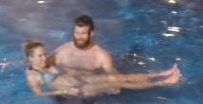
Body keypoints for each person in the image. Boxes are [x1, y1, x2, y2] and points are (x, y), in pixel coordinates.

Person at [23, 40, 179, 98]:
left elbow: (63, 50)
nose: (44, 58)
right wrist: (65, 91)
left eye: (44, 54)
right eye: (40, 56)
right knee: (121, 83)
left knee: (118, 78)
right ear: (30, 58)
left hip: (80, 80)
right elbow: (39, 94)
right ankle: (163, 82)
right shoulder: (32, 76)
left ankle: (162, 73)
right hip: (78, 90)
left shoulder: (45, 63)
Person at [47, 15, 114, 74]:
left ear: (91, 33)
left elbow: (113, 77)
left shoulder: (101, 55)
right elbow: (44, 66)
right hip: (66, 83)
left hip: (89, 83)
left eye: (83, 33)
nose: (79, 37)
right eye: (77, 32)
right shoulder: (63, 50)